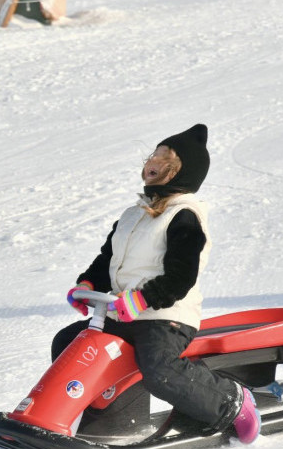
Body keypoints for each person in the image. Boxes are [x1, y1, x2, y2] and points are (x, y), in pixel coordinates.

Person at [53, 124, 262, 444]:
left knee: (159, 368)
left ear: (183, 172)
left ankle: (229, 401)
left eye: (166, 159)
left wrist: (141, 300)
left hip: (166, 316)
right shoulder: (132, 214)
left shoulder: (184, 216)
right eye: (155, 154)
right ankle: (109, 417)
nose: (153, 161)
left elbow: (181, 276)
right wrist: (87, 283)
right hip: (121, 312)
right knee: (69, 343)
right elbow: (108, 258)